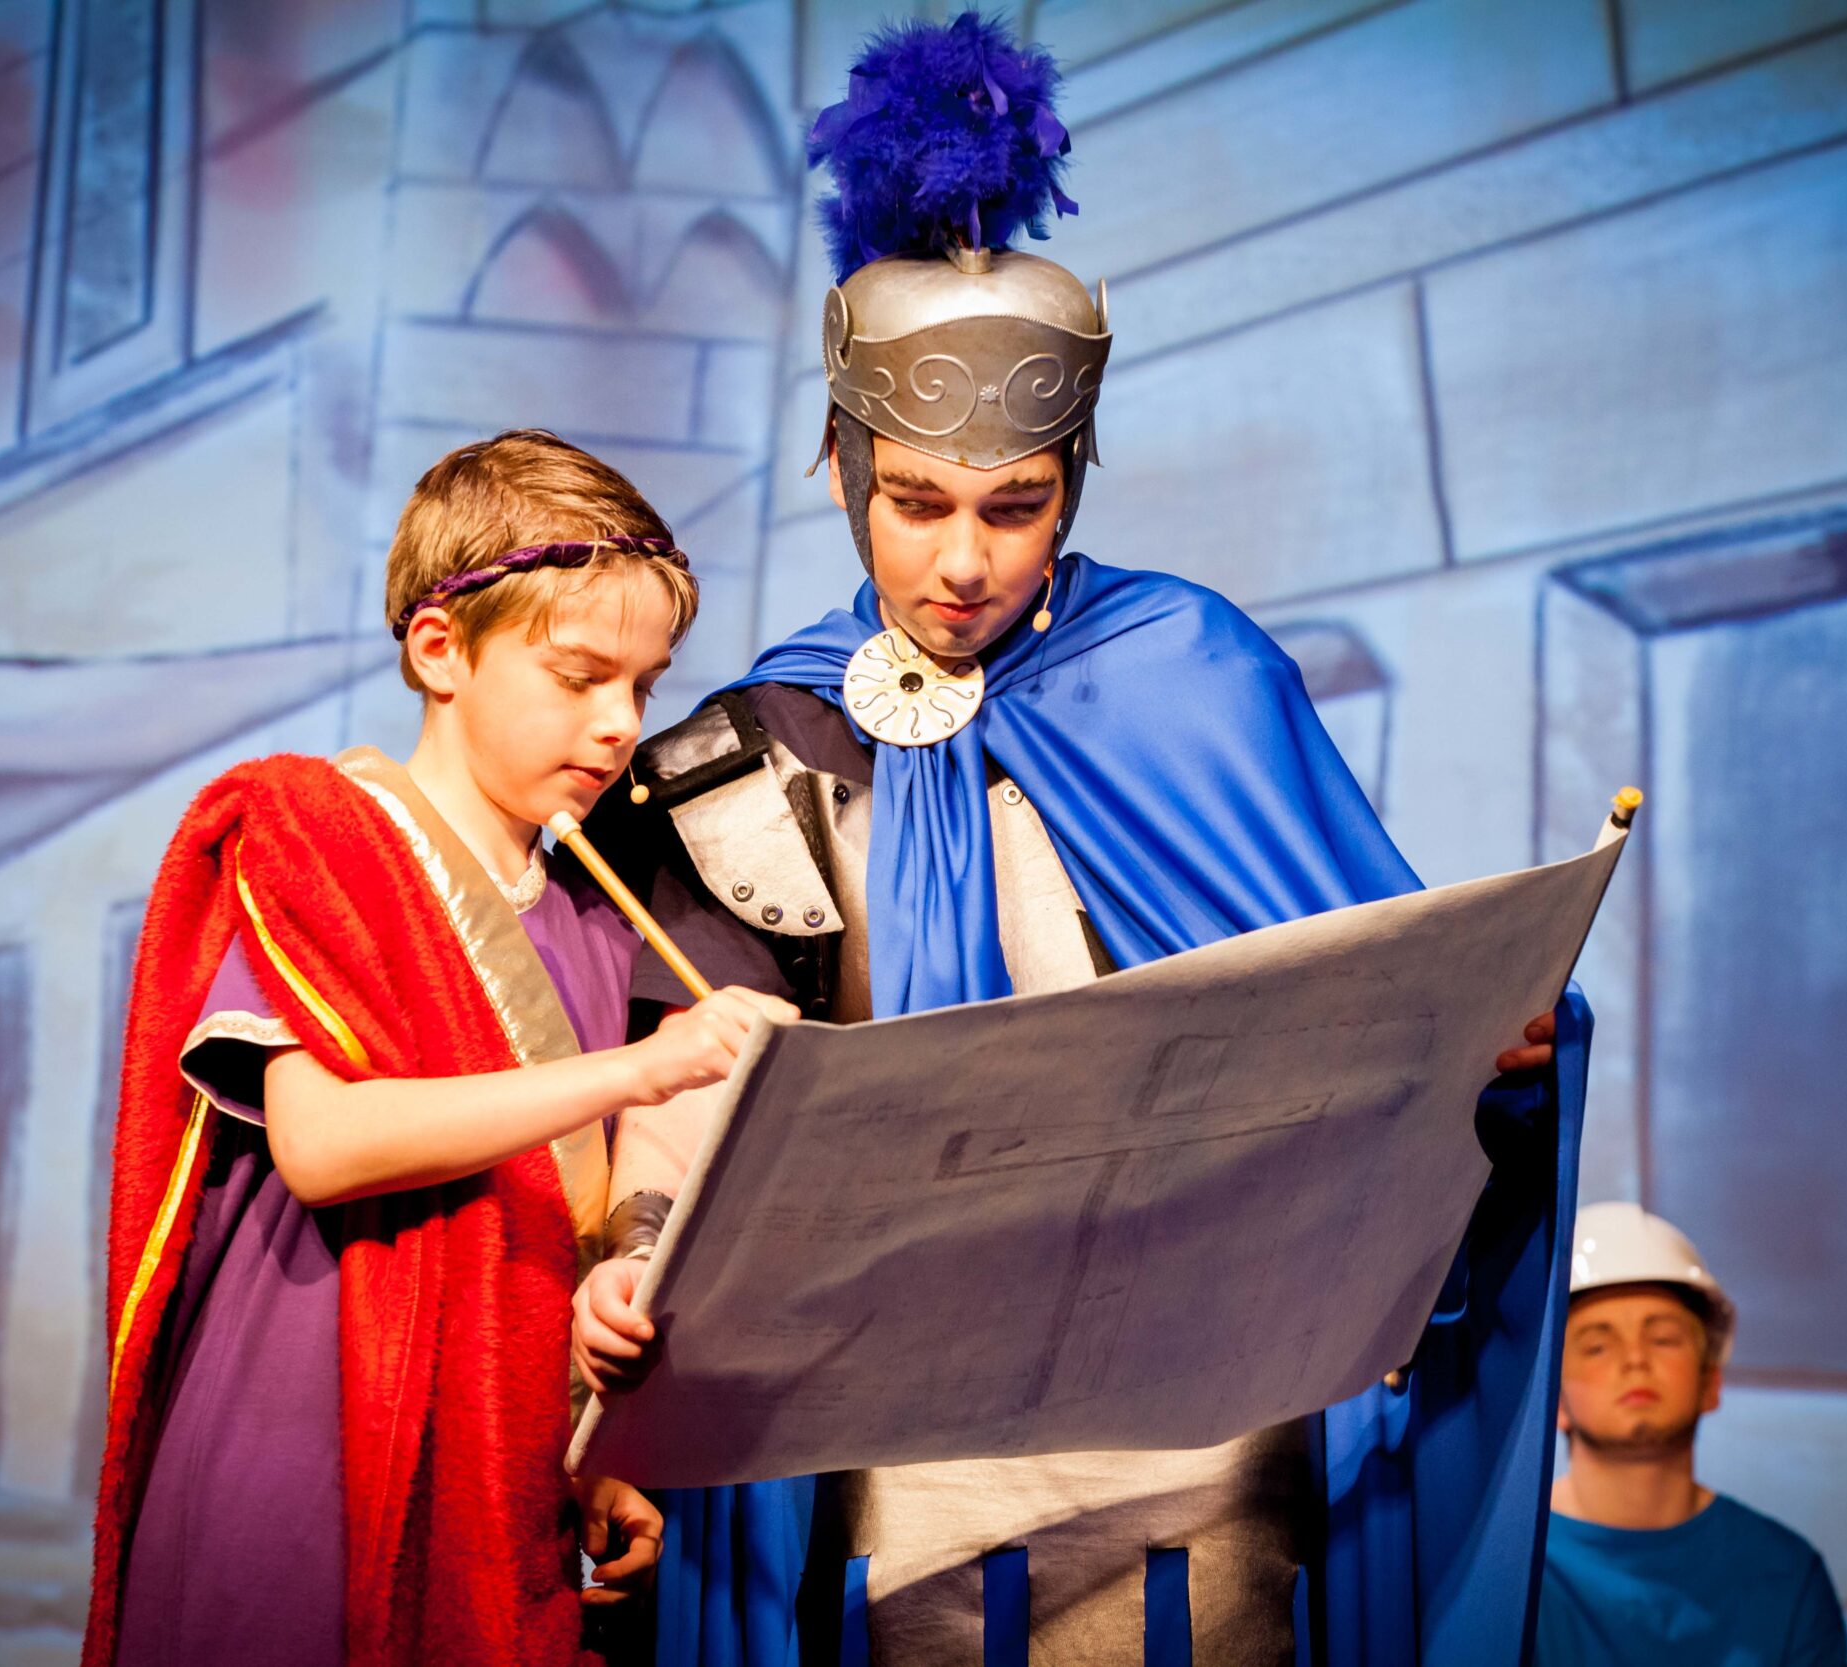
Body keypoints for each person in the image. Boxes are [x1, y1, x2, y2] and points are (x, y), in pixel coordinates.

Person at [571, 15, 1583, 1664]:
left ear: (1077, 481)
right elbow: (695, 1077)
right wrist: (631, 1260)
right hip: (892, 1457)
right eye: (916, 502)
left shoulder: (1191, 672)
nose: (964, 560)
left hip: (1204, 1438)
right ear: (840, 469)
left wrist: (1500, 1052)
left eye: (1015, 505)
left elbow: (1384, 1008)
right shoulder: (758, 746)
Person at [82, 430, 798, 1667]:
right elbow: (322, 1143)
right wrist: (642, 1068)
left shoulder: (594, 921)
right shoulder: (326, 843)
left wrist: (589, 1441)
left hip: (492, 1458)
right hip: (303, 1430)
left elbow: (546, 1220)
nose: (619, 723)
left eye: (642, 684)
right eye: (578, 676)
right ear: (438, 648)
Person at [1535, 1202, 1846, 1666]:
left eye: (1663, 1339)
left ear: (1710, 1382)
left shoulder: (1786, 1574)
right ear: (1553, 1400)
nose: (1635, 1360)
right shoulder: (1509, 1570)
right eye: (1597, 1346)